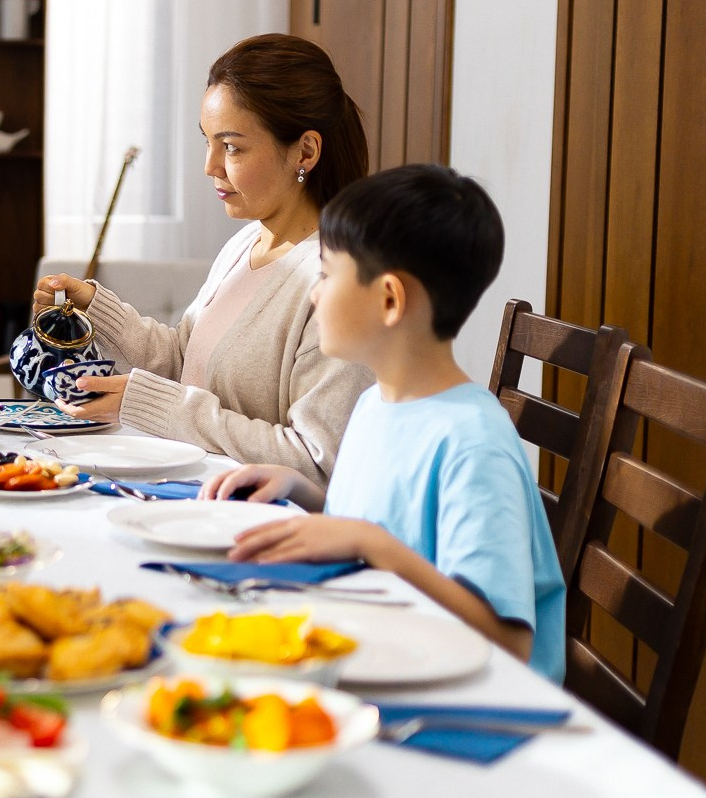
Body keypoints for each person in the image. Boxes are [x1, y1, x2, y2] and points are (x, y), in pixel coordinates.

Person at [205, 164, 567, 680]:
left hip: (474, 701)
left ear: (390, 300)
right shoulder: (377, 403)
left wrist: (369, 544)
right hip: (393, 656)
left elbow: (508, 643)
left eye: (326, 275)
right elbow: (383, 524)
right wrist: (300, 489)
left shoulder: (473, 442)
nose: (314, 293)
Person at [38, 34, 373, 486]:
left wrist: (157, 405)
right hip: (191, 494)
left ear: (305, 152)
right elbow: (186, 360)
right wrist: (97, 308)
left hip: (254, 516)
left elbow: (318, 464)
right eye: (208, 142)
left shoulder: (339, 279)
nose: (210, 166)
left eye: (231, 146)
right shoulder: (245, 245)